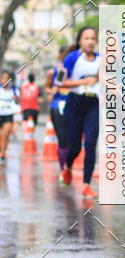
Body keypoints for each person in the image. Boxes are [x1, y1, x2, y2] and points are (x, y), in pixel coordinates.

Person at [60, 27, 101, 198]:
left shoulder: (102, 59)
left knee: (91, 144)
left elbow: (107, 78)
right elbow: (60, 82)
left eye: (93, 38)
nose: (90, 41)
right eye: (86, 38)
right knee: (75, 147)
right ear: (80, 41)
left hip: (93, 104)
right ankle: (68, 167)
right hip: (74, 104)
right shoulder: (71, 58)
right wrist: (83, 81)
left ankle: (86, 185)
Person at [44, 45, 74, 176]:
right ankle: (64, 170)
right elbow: (49, 87)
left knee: (73, 141)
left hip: (74, 106)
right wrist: (52, 91)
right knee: (63, 141)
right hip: (58, 107)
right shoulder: (58, 71)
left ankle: (68, 167)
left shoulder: (79, 69)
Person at [0, 70, 19, 160]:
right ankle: (2, 150)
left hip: (8, 114)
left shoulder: (14, 89)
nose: (4, 80)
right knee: (2, 134)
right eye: (3, 78)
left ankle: (2, 152)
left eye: (6, 79)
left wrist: (16, 99)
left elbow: (18, 101)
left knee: (6, 134)